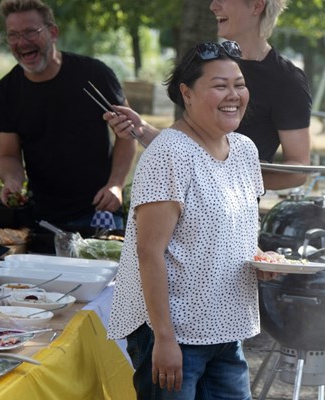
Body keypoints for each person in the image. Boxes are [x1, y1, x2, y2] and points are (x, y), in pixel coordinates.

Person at [107, 40, 278, 399]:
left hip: (225, 331)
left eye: (239, 84)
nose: (233, 95)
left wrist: (263, 258)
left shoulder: (245, 150)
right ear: (186, 93)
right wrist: (165, 340)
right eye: (220, 85)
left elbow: (233, 233)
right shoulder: (168, 152)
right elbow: (148, 253)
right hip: (172, 333)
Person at [104, 0, 311, 190]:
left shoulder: (287, 80)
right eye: (221, 85)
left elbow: (298, 171)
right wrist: (142, 129)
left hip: (230, 218)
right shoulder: (206, 62)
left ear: (256, 6)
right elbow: (192, 146)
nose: (213, 5)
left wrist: (228, 179)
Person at [0, 0, 136, 229]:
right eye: (13, 35)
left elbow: (127, 135)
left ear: (53, 32)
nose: (22, 42)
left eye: (31, 32)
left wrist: (115, 185)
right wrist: (12, 180)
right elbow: (7, 155)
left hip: (99, 210)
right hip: (41, 217)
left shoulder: (94, 74)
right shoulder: (5, 91)